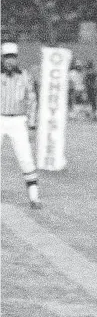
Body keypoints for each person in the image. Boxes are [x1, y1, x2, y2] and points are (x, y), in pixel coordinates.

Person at [1, 42, 41, 209]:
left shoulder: (24, 76)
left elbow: (32, 101)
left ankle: (34, 197)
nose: (10, 61)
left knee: (25, 158)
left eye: (13, 58)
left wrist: (32, 125)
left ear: (16, 59)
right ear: (2, 59)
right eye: (7, 58)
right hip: (0, 118)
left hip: (18, 120)